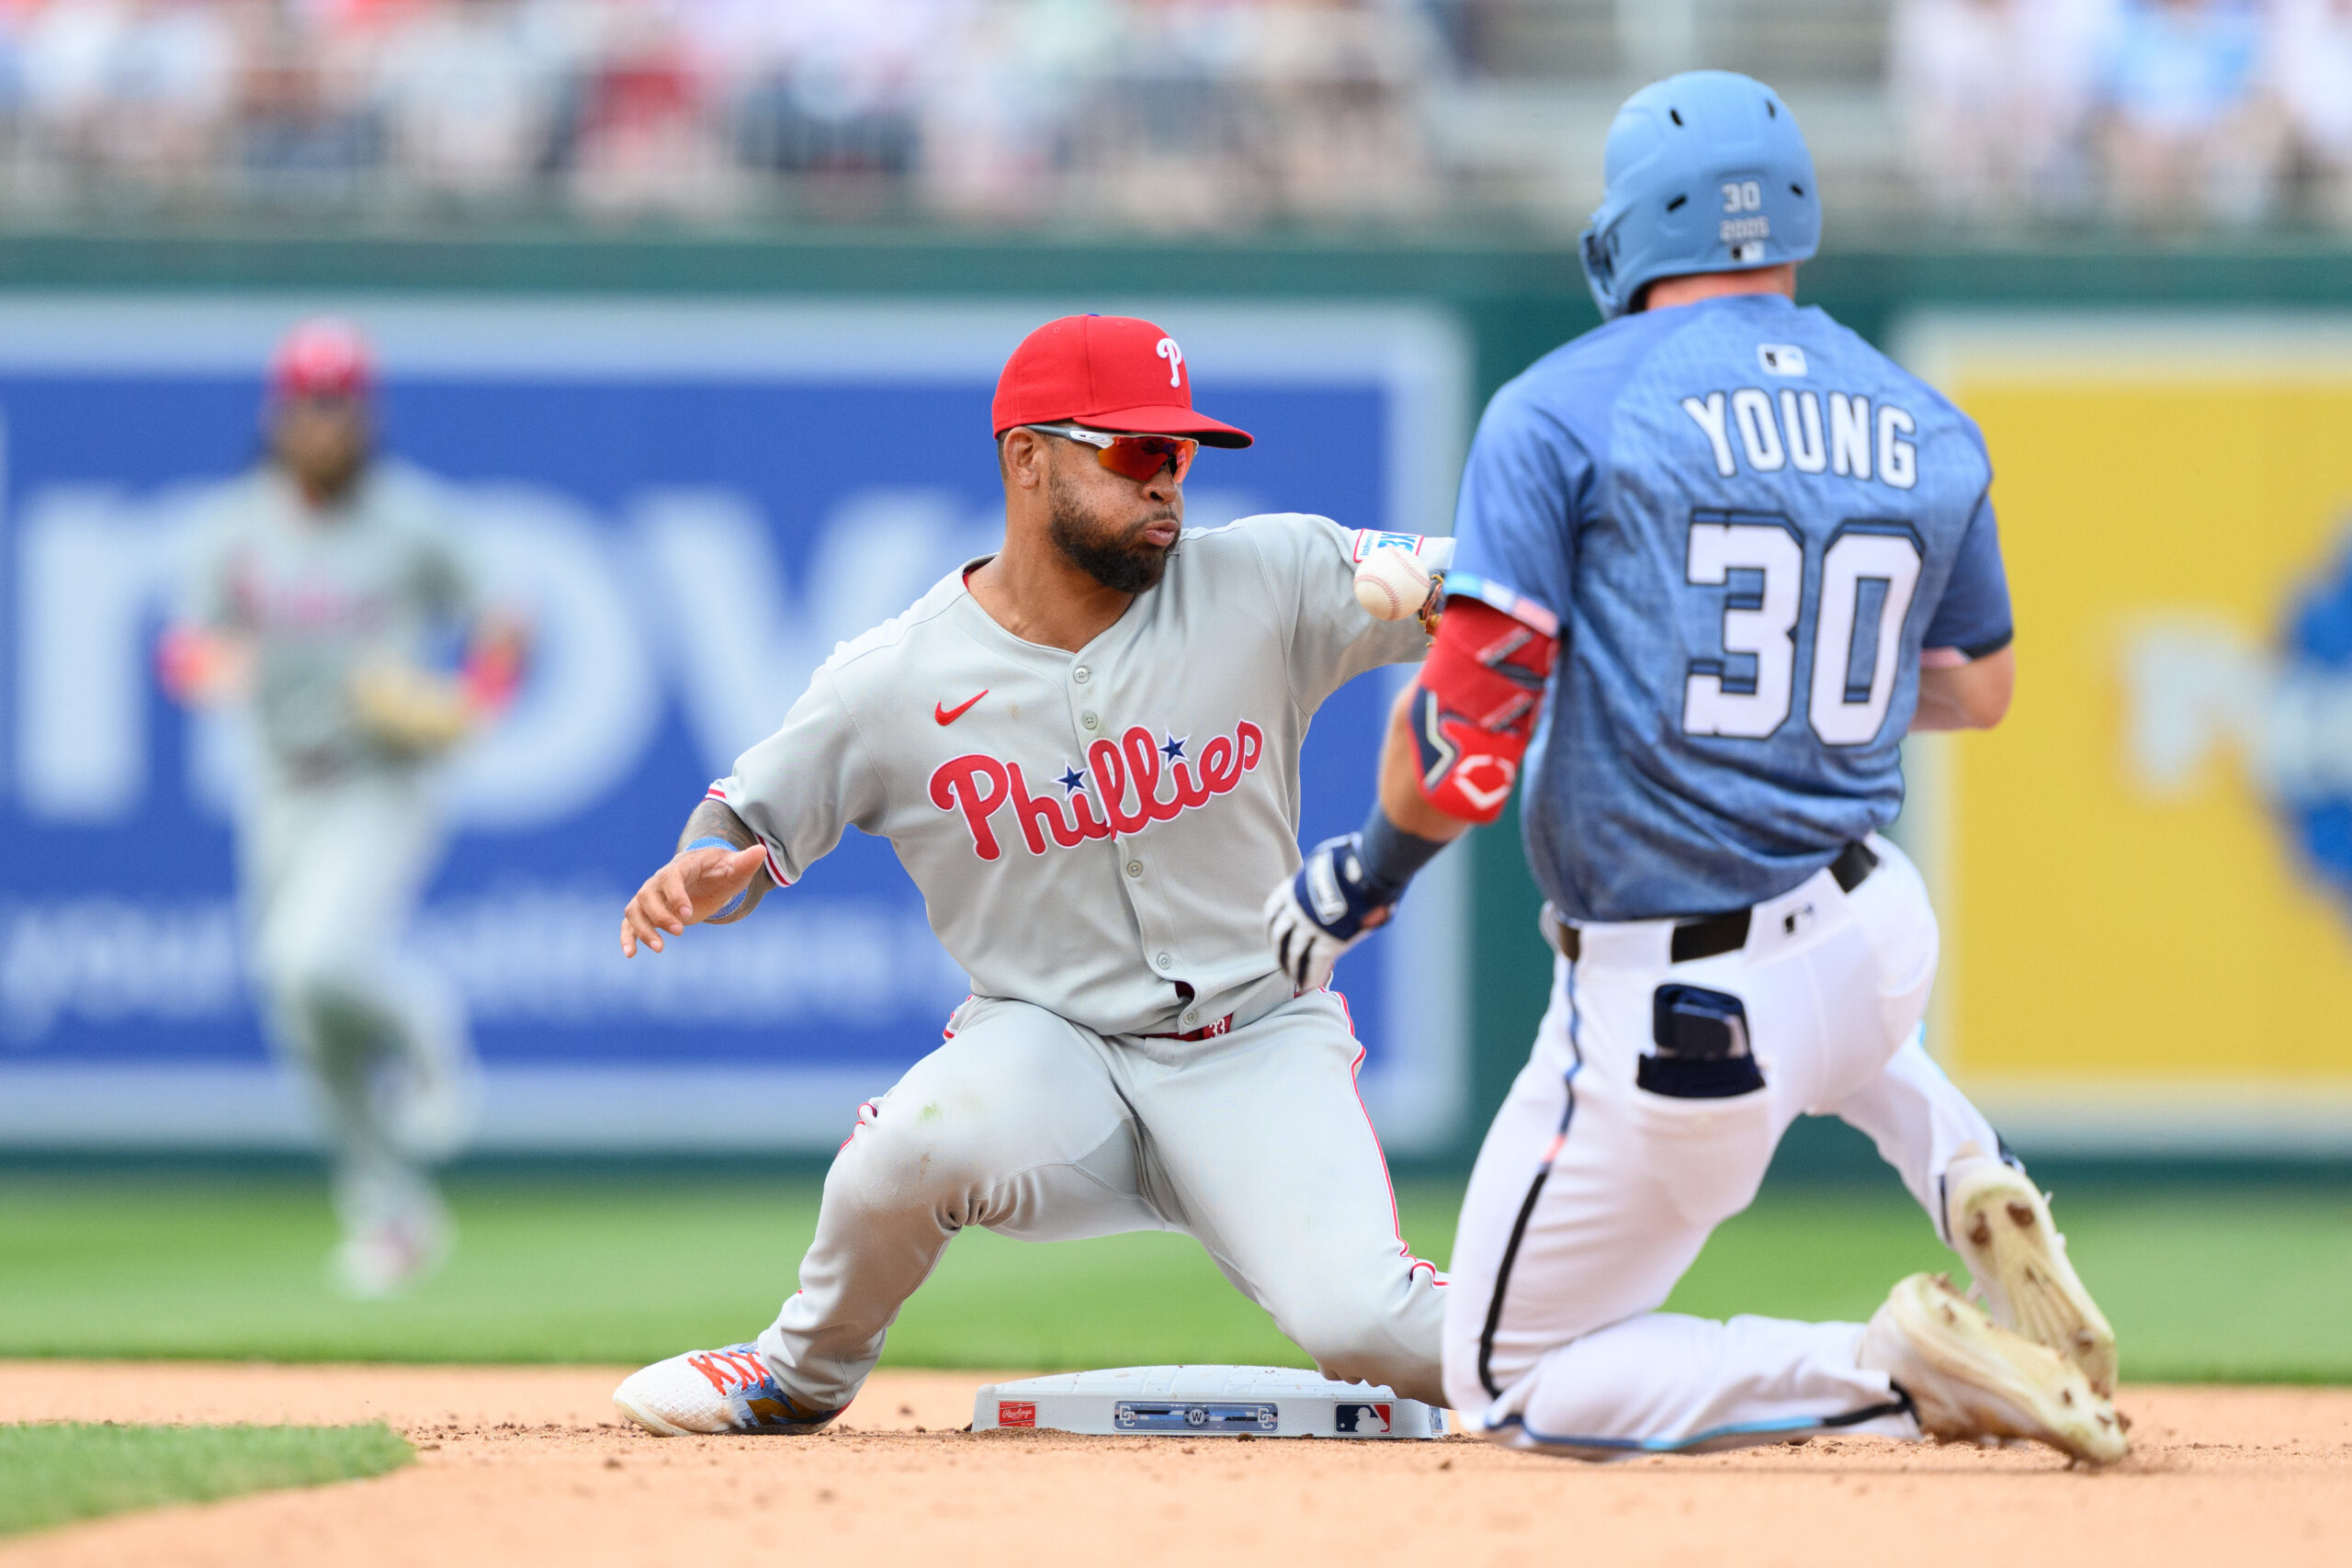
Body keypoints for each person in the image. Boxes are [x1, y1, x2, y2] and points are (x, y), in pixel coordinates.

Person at [1262, 73, 2129, 1463]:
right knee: (1860, 1020)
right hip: (1871, 929)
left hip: (1683, 998)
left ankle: (1889, 1367)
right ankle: (1970, 1164)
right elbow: (1980, 685)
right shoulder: (1921, 416)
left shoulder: (1562, 408)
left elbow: (1464, 741)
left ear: (1629, 227)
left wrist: (1365, 872)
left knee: (1510, 1374)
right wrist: (1755, 697)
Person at [607, 313, 1453, 1436]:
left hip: (1258, 1045)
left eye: (1182, 456)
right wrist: (708, 864)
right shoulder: (894, 679)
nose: (1168, 484)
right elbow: (747, 817)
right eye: (1136, 453)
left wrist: (1463, 581)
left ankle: (1605, 1359)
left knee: (1365, 1324)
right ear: (1028, 458)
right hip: (1053, 1053)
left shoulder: (1273, 575)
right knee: (912, 1142)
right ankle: (794, 1373)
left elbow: (1499, 588)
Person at [162, 319, 525, 1298]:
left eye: (340, 402)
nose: (323, 421)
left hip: (381, 776)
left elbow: (505, 620)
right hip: (282, 784)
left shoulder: (410, 519)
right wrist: (214, 664)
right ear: (280, 413)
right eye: (307, 402)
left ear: (364, 412)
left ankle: (422, 1028)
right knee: (299, 1012)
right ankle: (390, 1209)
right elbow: (187, 645)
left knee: (312, 961)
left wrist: (474, 704)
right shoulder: (236, 526)